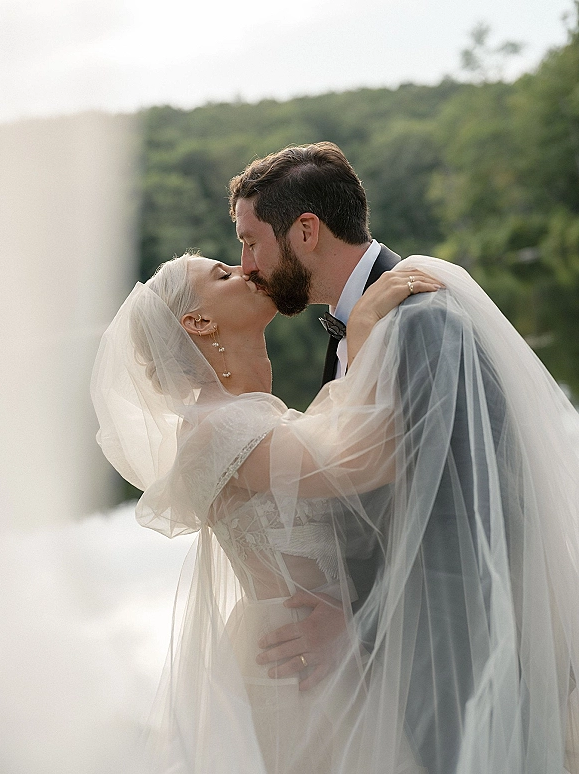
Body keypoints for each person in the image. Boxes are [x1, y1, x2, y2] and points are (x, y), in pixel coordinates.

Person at [228, 142, 579, 774]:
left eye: (252, 241)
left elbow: (467, 517)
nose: (246, 263)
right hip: (412, 649)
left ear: (306, 231)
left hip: (457, 651)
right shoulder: (365, 324)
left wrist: (358, 629)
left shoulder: (423, 321)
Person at [91, 250, 440, 773]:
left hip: (330, 646)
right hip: (304, 670)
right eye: (222, 274)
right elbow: (374, 457)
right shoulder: (215, 428)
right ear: (199, 321)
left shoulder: (243, 413)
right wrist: (364, 328)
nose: (246, 270)